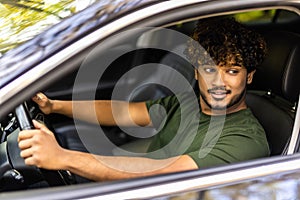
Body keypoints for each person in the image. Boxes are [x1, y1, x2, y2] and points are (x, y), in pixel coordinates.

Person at [18, 17, 270, 182]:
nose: (218, 82)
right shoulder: (189, 103)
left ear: (249, 77)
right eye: (209, 69)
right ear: (195, 71)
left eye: (232, 71)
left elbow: (162, 174)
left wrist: (63, 157)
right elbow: (123, 112)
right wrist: (54, 106)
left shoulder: (245, 140)